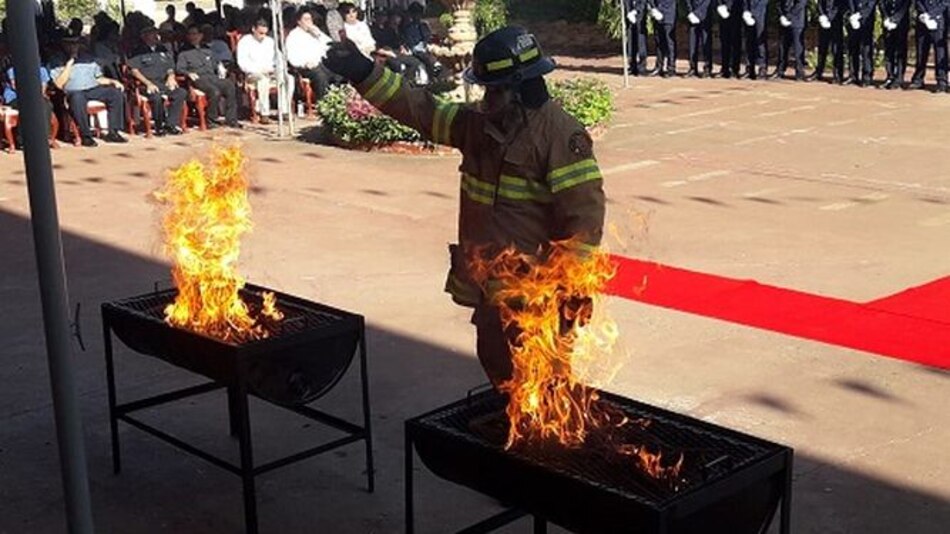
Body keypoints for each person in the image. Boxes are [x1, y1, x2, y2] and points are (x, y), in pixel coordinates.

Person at [323, 27, 606, 385]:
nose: (486, 99)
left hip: (537, 295)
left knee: (544, 383)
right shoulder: (476, 125)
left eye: (494, 90)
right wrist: (363, 71)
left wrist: (568, 290)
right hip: (493, 289)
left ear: (520, 88)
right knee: (500, 370)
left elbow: (584, 222)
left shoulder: (560, 136)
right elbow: (420, 109)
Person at [49, 37, 128, 146]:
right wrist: (70, 62)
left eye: (76, 44)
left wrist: (112, 81)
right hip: (75, 91)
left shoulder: (87, 58)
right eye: (70, 44)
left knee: (115, 93)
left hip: (93, 88)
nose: (74, 47)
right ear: (64, 45)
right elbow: (59, 84)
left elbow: (98, 78)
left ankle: (113, 132)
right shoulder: (57, 60)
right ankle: (86, 135)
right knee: (78, 99)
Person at [129, 26, 188, 135]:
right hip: (146, 84)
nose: (156, 36)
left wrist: (171, 76)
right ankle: (159, 126)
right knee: (157, 97)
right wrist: (148, 83)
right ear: (144, 36)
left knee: (181, 93)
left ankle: (170, 124)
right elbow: (134, 71)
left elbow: (170, 66)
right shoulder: (137, 51)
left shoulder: (162, 49)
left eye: (157, 34)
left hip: (162, 82)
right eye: (153, 34)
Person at [177, 24, 240, 127]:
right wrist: (188, 73)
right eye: (190, 34)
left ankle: (231, 119)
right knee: (214, 91)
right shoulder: (184, 52)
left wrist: (222, 69)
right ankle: (211, 120)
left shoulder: (207, 50)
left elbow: (215, 65)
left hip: (212, 76)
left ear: (201, 35)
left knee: (229, 86)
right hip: (198, 78)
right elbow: (179, 68)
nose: (193, 37)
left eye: (195, 34)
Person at [237, 19, 295, 123]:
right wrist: (259, 70)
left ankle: (284, 110)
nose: (263, 36)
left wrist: (277, 69)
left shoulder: (270, 41)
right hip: (253, 73)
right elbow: (242, 63)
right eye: (260, 33)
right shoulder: (245, 42)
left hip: (271, 72)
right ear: (253, 29)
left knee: (289, 79)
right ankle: (264, 113)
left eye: (265, 33)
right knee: (263, 80)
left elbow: (279, 58)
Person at [286, 9, 336, 101]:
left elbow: (330, 45)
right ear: (299, 22)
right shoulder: (293, 36)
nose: (309, 22)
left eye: (310, 19)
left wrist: (319, 35)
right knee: (321, 77)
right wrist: (304, 64)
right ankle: (323, 103)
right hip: (307, 66)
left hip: (322, 63)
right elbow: (291, 56)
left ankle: (337, 100)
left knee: (339, 74)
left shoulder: (315, 32)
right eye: (306, 19)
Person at [3, 66, 54, 147]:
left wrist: (35, 95)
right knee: (26, 105)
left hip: (36, 97)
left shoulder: (42, 70)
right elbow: (15, 86)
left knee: (46, 104)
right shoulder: (12, 70)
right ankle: (22, 139)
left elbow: (43, 88)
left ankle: (45, 136)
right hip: (15, 97)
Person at [907, 0, 949, 92]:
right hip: (922, 20)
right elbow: (917, 2)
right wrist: (924, 14)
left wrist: (931, 14)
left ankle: (942, 81)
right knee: (921, 51)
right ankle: (918, 79)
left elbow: (945, 2)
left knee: (940, 53)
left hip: (938, 20)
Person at [809, 0, 847, 82]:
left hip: (836, 21)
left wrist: (830, 17)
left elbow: (842, 5)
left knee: (836, 49)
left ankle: (838, 74)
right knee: (822, 48)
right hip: (824, 20)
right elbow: (820, 3)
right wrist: (822, 15)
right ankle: (819, 72)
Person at [771, 0, 807, 80]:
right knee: (782, 47)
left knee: (798, 48)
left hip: (797, 20)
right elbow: (779, 3)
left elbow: (801, 3)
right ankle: (780, 71)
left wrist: (788, 16)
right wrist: (781, 15)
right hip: (784, 19)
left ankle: (800, 72)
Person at [880, 0, 910, 89]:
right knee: (889, 50)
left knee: (901, 51)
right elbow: (881, 3)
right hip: (888, 22)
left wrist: (895, 19)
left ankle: (899, 78)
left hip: (901, 23)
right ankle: (890, 76)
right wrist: (886, 17)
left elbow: (905, 5)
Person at [846, 0, 877, 87]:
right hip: (853, 18)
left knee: (866, 49)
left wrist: (860, 14)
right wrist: (852, 14)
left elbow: (871, 4)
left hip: (866, 19)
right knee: (853, 47)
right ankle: (853, 75)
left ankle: (867, 77)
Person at [648, 0, 677, 76]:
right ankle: (659, 66)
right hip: (657, 16)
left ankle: (671, 67)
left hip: (668, 14)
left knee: (670, 43)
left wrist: (660, 10)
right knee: (659, 42)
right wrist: (654, 8)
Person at [685, 0, 714, 77]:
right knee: (692, 43)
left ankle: (707, 68)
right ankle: (693, 68)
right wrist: (690, 11)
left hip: (705, 15)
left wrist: (697, 13)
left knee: (706, 43)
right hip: (692, 14)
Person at [716, 0, 744, 78]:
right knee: (724, 40)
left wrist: (728, 6)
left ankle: (734, 69)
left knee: (735, 40)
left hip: (735, 8)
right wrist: (720, 5)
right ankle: (725, 68)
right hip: (723, 9)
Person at [742, 0, 769, 79]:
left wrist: (756, 13)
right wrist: (746, 10)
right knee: (749, 40)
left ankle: (762, 67)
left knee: (760, 40)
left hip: (760, 11)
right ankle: (750, 68)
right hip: (749, 9)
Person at [624, 0, 649, 76]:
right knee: (631, 42)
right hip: (629, 17)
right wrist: (628, 12)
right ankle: (632, 66)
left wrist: (635, 11)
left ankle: (642, 67)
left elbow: (643, 2)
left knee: (641, 42)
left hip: (640, 17)